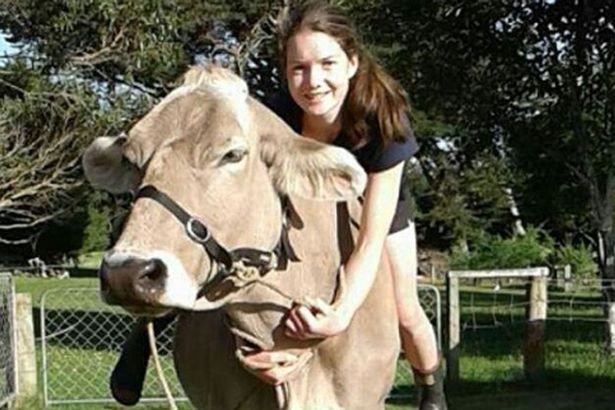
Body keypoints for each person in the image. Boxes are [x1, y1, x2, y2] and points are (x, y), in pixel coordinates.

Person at [110, 2, 447, 409]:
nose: (313, 81)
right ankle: (147, 327)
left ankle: (431, 387)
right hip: (295, 193)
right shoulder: (273, 114)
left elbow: (370, 243)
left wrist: (339, 314)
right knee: (215, 246)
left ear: (352, 63)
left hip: (374, 202)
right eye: (298, 68)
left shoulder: (385, 121)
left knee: (406, 308)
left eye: (327, 63)